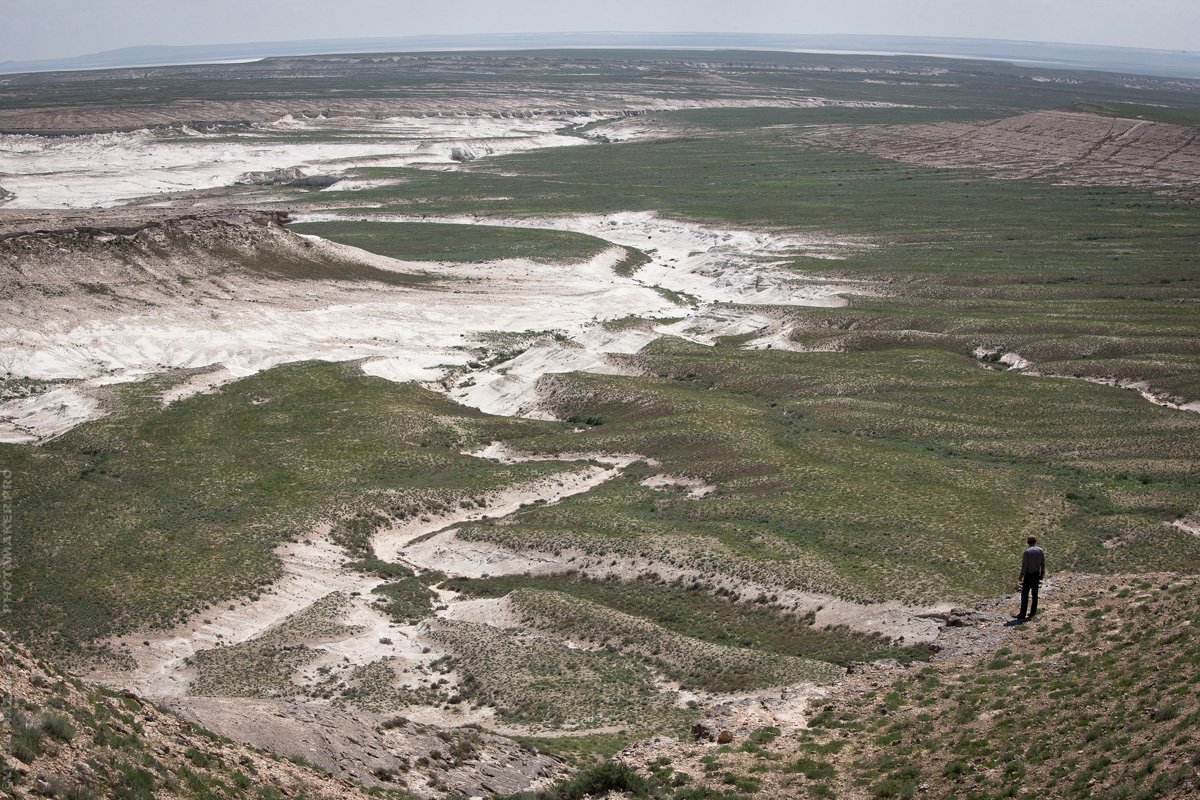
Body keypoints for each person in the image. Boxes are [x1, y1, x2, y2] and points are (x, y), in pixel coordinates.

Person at [1016, 536, 1046, 620]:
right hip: (1036, 575)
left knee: (1025, 594)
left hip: (1028, 575)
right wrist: (1042, 573)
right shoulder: (1040, 550)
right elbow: (1042, 564)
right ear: (1035, 541)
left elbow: (1024, 565)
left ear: (1028, 542)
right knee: (1034, 594)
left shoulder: (1027, 552)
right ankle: (1032, 613)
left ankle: (1022, 614)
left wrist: (1021, 576)